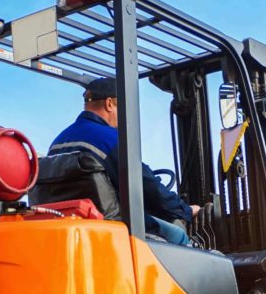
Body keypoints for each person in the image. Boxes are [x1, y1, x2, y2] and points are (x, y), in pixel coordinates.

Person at [48, 77, 199, 245]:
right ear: (109, 104)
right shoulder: (110, 139)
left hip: (70, 227)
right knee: (178, 235)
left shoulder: (57, 142)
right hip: (112, 225)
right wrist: (184, 210)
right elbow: (146, 185)